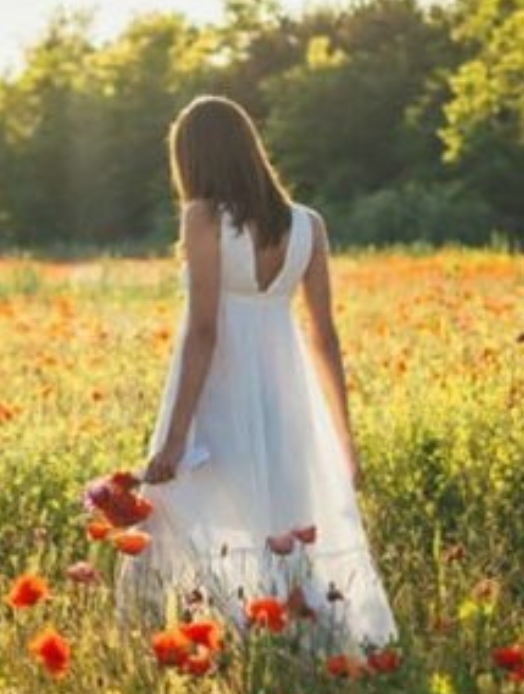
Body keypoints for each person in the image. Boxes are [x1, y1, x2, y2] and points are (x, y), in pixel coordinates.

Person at [116, 94, 397, 650]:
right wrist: (344, 441)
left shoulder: (204, 218)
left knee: (190, 515)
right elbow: (325, 336)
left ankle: (219, 639)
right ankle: (290, 641)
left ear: (194, 159)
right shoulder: (307, 226)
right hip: (286, 391)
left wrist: (173, 439)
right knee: (281, 520)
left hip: (219, 390)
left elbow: (204, 330)